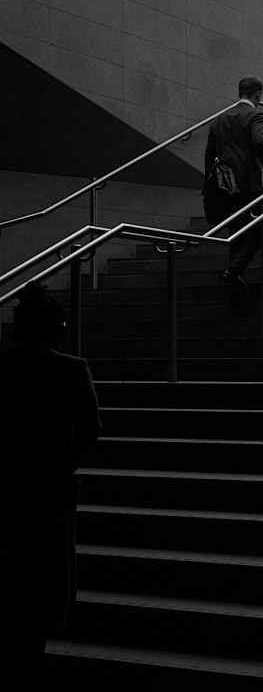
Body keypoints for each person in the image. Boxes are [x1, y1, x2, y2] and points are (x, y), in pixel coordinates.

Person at [0, 281, 101, 691]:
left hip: (7, 485)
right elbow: (90, 432)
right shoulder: (72, 369)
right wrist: (61, 467)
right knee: (47, 571)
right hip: (49, 487)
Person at [203, 75, 263, 293]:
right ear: (258, 95)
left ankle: (234, 282)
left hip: (223, 184)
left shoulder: (220, 118)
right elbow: (258, 141)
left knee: (235, 231)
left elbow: (210, 152)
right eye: (259, 97)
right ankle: (235, 269)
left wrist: (208, 183)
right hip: (246, 183)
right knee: (259, 226)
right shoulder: (255, 114)